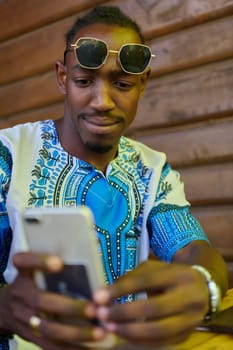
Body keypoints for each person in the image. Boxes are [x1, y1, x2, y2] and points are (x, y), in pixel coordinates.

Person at [0, 5, 228, 350]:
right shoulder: (9, 156)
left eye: (122, 83)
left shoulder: (151, 169)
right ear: (62, 77)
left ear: (143, 83)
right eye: (83, 81)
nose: (103, 101)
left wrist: (202, 283)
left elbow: (192, 247)